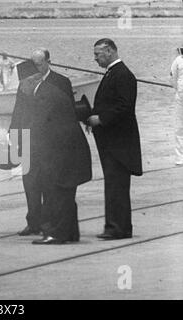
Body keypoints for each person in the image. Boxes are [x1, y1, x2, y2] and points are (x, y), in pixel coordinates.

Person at [10, 48, 92, 244]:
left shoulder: (50, 91)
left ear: (34, 79)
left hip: (57, 149)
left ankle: (54, 232)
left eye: (23, 85)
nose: (22, 90)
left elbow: (48, 124)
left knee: (55, 189)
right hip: (58, 146)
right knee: (53, 188)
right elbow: (19, 114)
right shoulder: (40, 89)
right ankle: (67, 232)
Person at [87, 38, 142, 240]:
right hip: (113, 141)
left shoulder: (122, 75)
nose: (95, 58)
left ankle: (116, 227)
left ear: (109, 51)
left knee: (116, 185)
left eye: (97, 54)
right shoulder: (113, 73)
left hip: (119, 143)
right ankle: (120, 226)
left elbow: (125, 106)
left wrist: (100, 118)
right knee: (114, 184)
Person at [170, 47, 183, 166]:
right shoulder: (178, 60)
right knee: (179, 127)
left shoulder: (178, 60)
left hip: (180, 94)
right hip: (181, 96)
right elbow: (173, 78)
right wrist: (178, 91)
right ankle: (180, 158)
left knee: (179, 127)